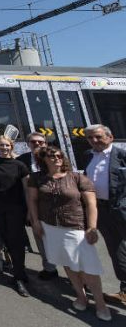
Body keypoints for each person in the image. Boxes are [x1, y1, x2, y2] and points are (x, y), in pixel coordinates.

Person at [27, 146, 111, 321]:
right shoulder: (37, 179)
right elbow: (33, 201)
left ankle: (101, 304)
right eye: (52, 156)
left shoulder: (78, 178)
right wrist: (35, 222)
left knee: (89, 268)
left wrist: (92, 227)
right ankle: (81, 297)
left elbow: (91, 205)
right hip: (50, 228)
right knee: (67, 264)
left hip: (76, 228)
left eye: (59, 155)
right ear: (44, 160)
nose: (57, 158)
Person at [84, 124, 126, 306]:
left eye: (98, 137)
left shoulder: (122, 155)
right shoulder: (88, 156)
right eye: (90, 138)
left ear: (110, 137)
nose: (94, 141)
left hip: (121, 208)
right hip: (102, 211)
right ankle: (125, 289)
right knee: (116, 249)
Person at [0, 135, 31, 297]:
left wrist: (30, 210)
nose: (4, 148)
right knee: (5, 239)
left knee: (16, 242)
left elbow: (26, 189)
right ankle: (18, 271)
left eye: (7, 146)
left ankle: (19, 276)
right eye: (1, 146)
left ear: (12, 146)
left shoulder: (19, 165)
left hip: (16, 209)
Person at [16, 132, 56, 279]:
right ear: (28, 144)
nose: (37, 144)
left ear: (45, 143)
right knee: (40, 237)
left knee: (59, 238)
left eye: (40, 142)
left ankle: (75, 272)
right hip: (33, 205)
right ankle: (49, 268)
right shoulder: (21, 160)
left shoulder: (54, 157)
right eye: (33, 142)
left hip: (54, 205)